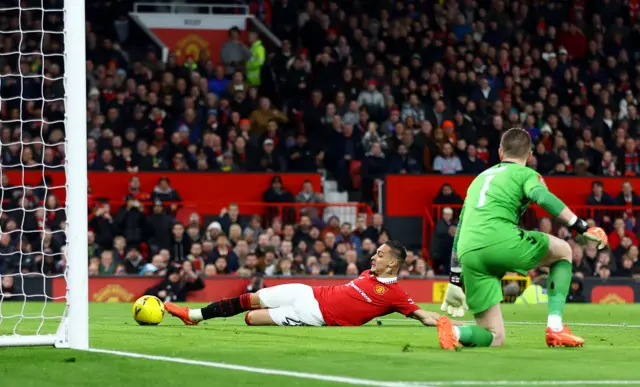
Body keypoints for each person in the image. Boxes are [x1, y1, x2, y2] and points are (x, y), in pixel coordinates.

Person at [438, 128, 605, 350]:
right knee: (564, 250)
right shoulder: (525, 174)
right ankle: (555, 328)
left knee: (495, 336)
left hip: (469, 252)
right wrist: (580, 226)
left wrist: (455, 279)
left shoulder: (478, 180)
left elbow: (459, 230)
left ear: (500, 152)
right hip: (501, 240)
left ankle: (455, 331)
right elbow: (542, 197)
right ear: (529, 155)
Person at [165, 240, 461, 327]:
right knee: (251, 298)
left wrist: (452, 327)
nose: (373, 256)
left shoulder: (395, 294)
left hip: (313, 315)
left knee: (251, 319)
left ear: (393, 263)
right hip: (307, 292)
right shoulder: (368, 274)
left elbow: (424, 315)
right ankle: (193, 316)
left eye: (380, 254)